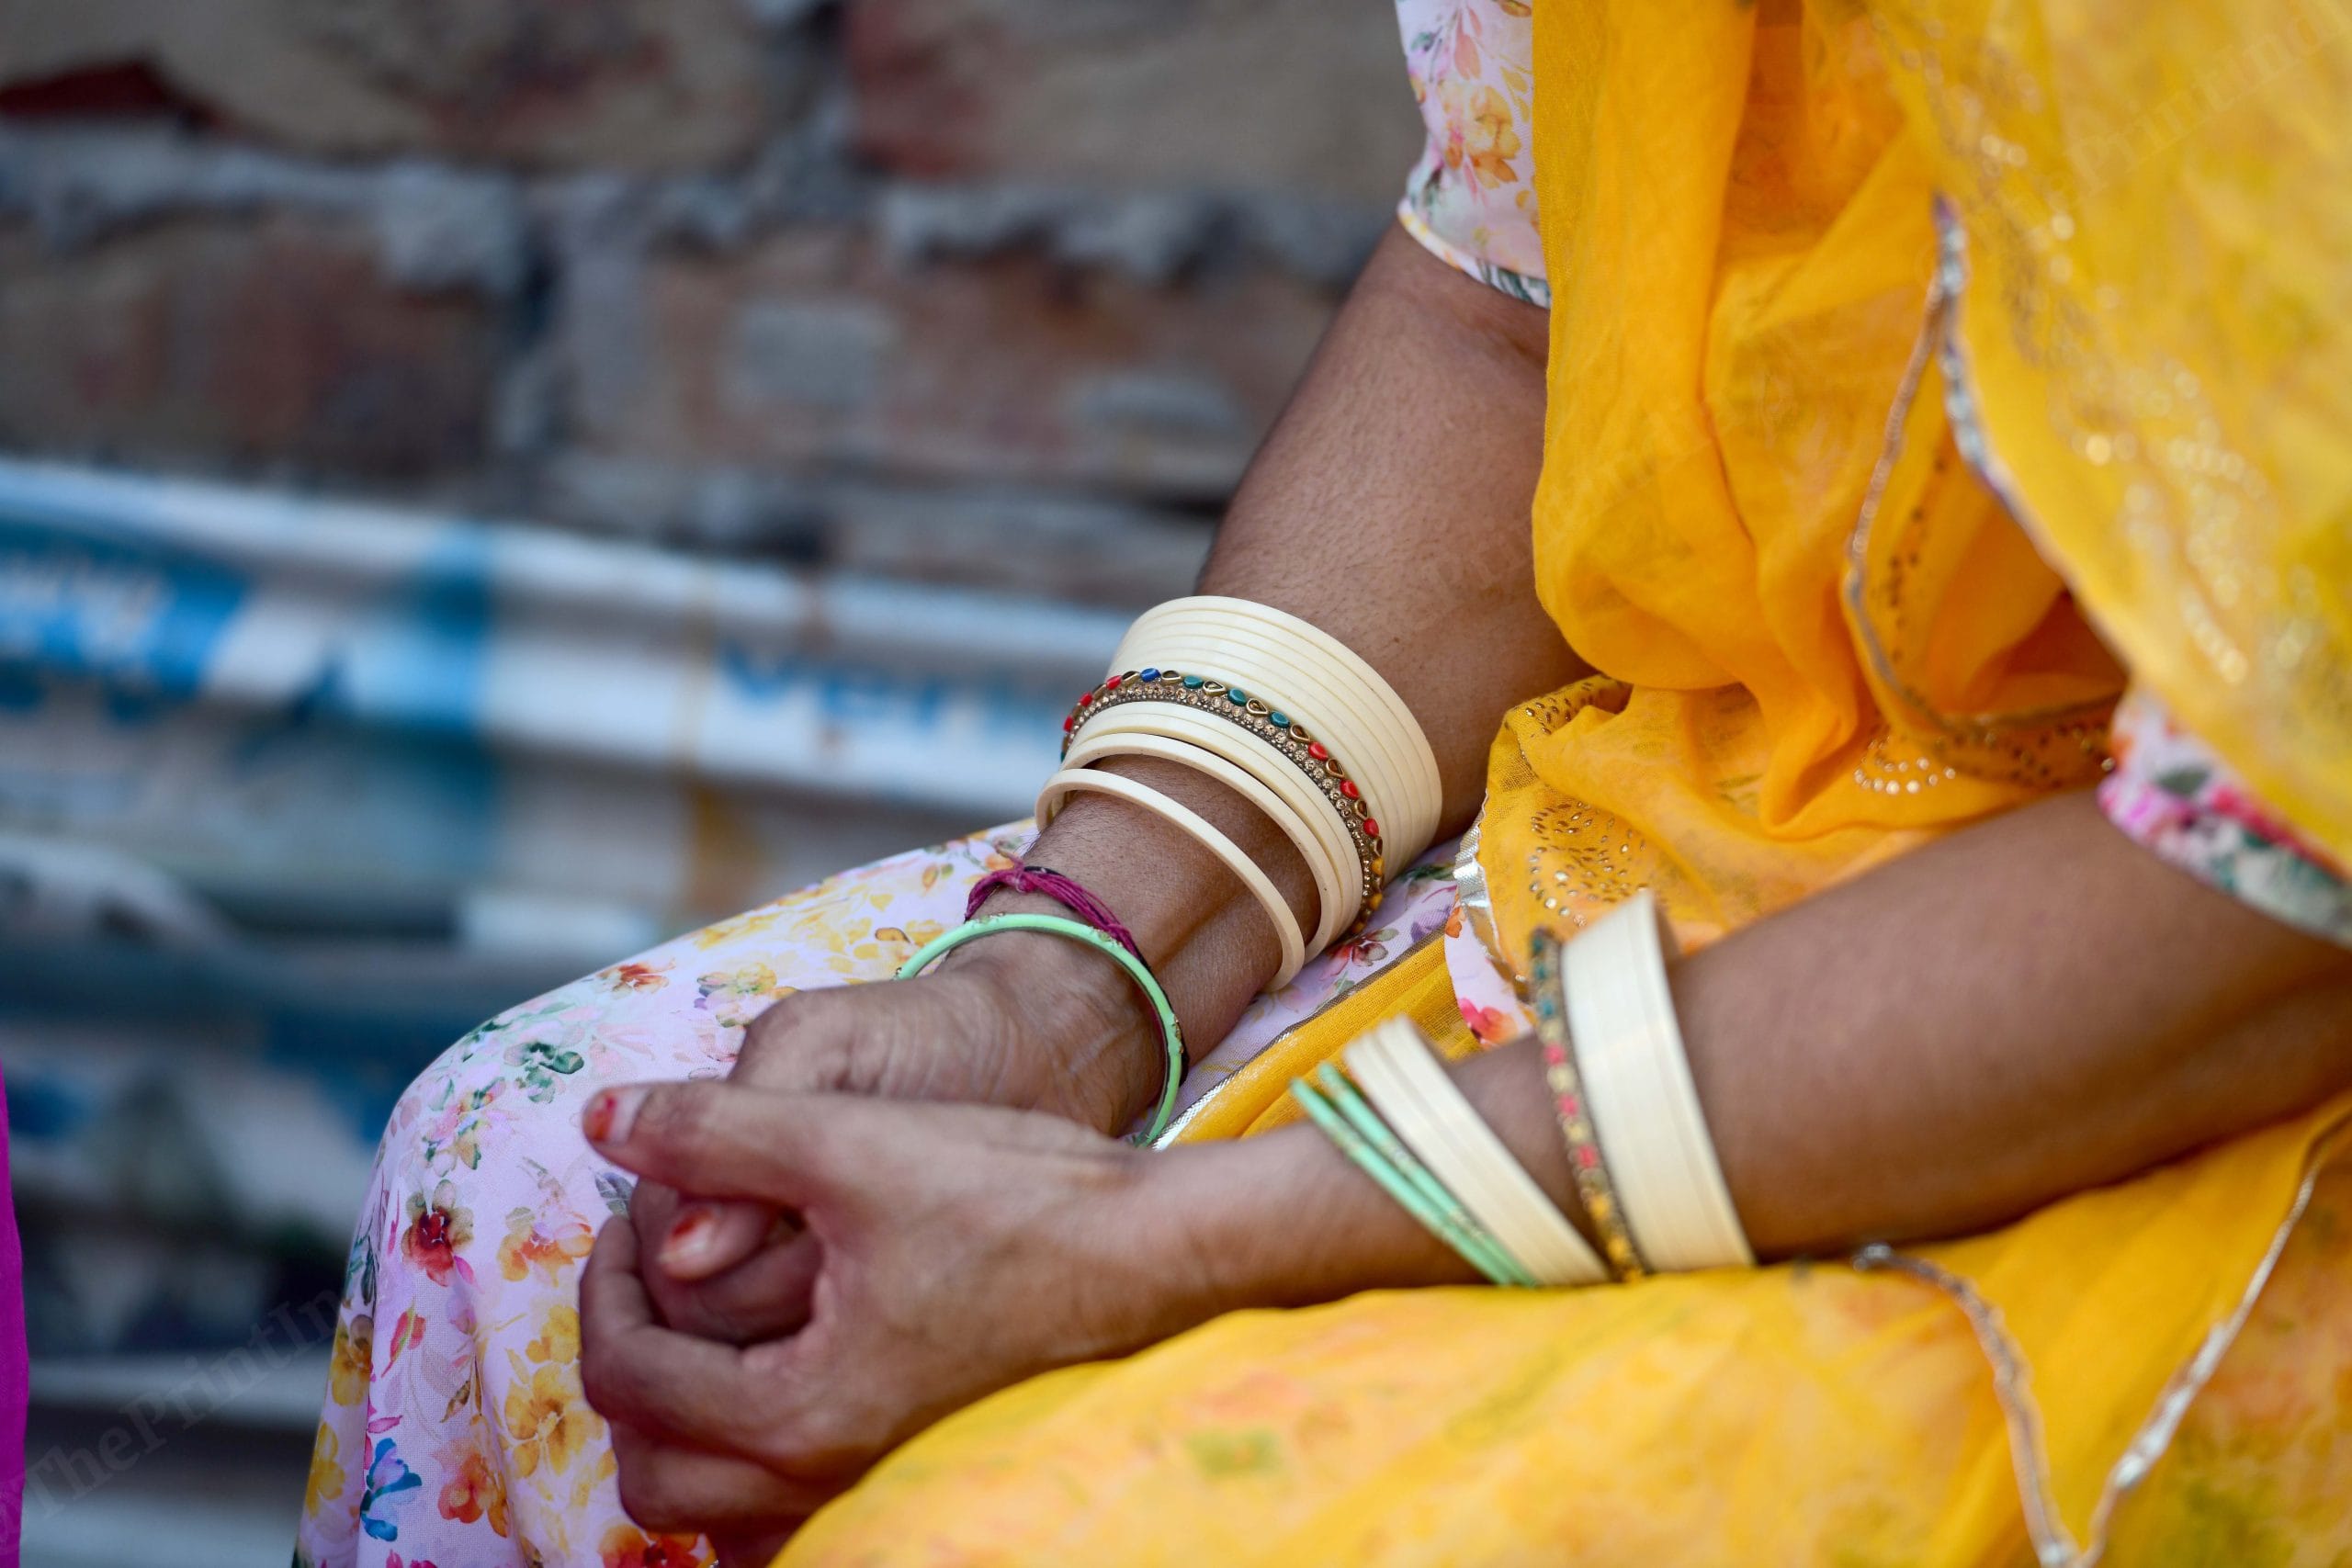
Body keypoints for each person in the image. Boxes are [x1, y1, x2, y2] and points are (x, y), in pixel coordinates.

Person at [297, 1, 2352, 1563]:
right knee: (522, 1169)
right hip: (1689, 843)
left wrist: (1163, 1242)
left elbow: (2281, 859)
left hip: (2195, 1006)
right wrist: (1062, 987)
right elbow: (1512, 298)